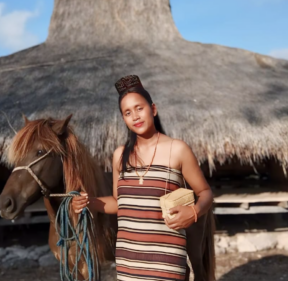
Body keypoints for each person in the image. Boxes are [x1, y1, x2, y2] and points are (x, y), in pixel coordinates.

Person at [72, 75, 214, 281]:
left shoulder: (177, 149)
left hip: (167, 262)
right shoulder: (120, 156)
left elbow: (205, 193)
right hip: (128, 263)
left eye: (140, 108)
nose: (135, 116)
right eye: (128, 112)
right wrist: (87, 202)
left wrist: (193, 211)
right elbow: (118, 203)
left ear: (153, 109)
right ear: (124, 119)